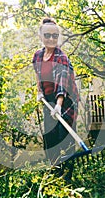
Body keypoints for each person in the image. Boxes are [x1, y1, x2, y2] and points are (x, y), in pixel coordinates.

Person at [32, 17, 79, 180]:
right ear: (41, 36)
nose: (51, 39)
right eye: (47, 35)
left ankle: (67, 178)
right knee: (50, 138)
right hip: (48, 99)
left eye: (54, 35)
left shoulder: (61, 57)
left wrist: (58, 104)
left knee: (64, 137)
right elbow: (38, 75)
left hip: (66, 100)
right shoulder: (37, 56)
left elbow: (62, 83)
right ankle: (54, 174)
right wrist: (39, 91)